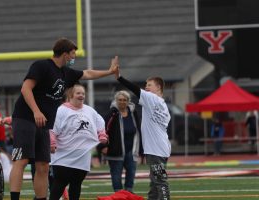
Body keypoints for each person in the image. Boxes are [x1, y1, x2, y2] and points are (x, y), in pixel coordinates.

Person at [9, 37, 118, 200]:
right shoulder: (42, 66)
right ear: (65, 53)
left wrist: (109, 72)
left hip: (44, 124)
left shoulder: (66, 73)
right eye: (72, 54)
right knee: (21, 160)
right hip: (26, 118)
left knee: (44, 165)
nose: (74, 57)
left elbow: (87, 73)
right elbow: (26, 88)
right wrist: (36, 111)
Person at [114, 58, 171, 200]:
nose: (146, 87)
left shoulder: (152, 99)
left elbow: (134, 89)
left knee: (159, 181)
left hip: (156, 149)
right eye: (146, 85)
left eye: (149, 85)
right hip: (161, 148)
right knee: (154, 182)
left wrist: (119, 77)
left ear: (158, 88)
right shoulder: (163, 105)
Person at [49, 84, 108, 200]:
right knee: (59, 185)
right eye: (78, 93)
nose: (81, 95)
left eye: (83, 93)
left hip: (82, 156)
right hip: (63, 156)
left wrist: (102, 134)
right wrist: (52, 143)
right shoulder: (61, 110)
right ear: (71, 95)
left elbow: (100, 122)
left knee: (76, 185)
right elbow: (52, 128)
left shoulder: (89, 110)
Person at [99, 90, 141, 193]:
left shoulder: (133, 112)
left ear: (128, 101)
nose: (122, 102)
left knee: (131, 171)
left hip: (131, 149)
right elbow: (104, 130)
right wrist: (103, 146)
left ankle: (129, 191)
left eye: (125, 100)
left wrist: (141, 148)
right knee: (116, 173)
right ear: (116, 101)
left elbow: (138, 129)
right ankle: (118, 193)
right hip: (115, 149)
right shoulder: (112, 113)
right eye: (120, 100)